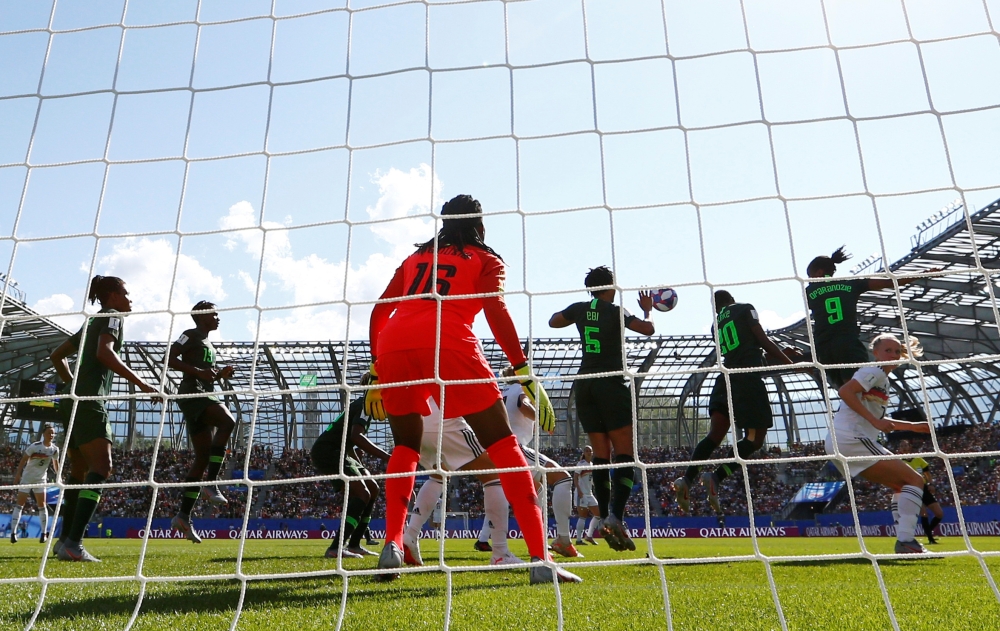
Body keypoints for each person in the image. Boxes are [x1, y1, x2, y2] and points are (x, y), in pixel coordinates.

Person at [367, 194, 580, 584]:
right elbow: (496, 310)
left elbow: (380, 310)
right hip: (450, 343)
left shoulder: (414, 259)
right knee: (504, 447)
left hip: (394, 344)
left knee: (405, 447)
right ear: (480, 224)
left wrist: (375, 369)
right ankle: (539, 559)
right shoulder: (486, 259)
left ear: (443, 223)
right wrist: (523, 369)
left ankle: (393, 543)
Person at [50, 275, 161, 562]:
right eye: (126, 293)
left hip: (70, 400)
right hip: (88, 402)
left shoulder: (91, 322)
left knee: (78, 472)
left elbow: (56, 355)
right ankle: (74, 542)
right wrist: (142, 383)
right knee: (102, 466)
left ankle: (63, 542)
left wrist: (72, 384)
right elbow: (104, 352)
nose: (130, 299)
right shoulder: (113, 317)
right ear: (112, 296)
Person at [548, 266, 655, 551]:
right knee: (624, 453)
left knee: (600, 454)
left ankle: (606, 515)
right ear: (611, 287)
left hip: (585, 385)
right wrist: (647, 311)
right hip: (611, 382)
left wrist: (576, 314)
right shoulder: (617, 311)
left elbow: (553, 322)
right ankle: (615, 516)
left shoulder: (580, 309)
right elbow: (648, 330)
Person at [673, 291, 795, 515]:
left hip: (724, 380)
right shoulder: (745, 308)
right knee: (755, 439)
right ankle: (716, 476)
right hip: (747, 380)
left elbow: (741, 353)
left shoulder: (715, 326)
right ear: (731, 299)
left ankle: (688, 479)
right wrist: (791, 362)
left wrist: (777, 358)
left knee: (715, 434)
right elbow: (761, 341)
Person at [825, 333, 931, 554]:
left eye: (896, 351)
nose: (892, 355)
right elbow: (845, 392)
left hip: (842, 441)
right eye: (887, 350)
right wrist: (874, 421)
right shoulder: (874, 371)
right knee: (915, 479)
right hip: (851, 438)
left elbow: (876, 417)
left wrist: (912, 427)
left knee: (901, 485)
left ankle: (905, 540)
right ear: (875, 352)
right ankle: (906, 540)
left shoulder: (880, 378)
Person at [402, 400, 523, 567]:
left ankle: (410, 534)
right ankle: (500, 553)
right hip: (443, 420)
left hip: (417, 422)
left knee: (438, 475)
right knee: (494, 474)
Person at [805, 247, 935, 389]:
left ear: (819, 273)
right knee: (861, 388)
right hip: (847, 342)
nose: (810, 281)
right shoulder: (851, 284)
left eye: (810, 277)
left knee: (843, 390)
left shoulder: (809, 291)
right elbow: (890, 282)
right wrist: (921, 274)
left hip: (824, 347)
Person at [168, 301, 237, 543]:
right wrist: (198, 372)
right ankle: (212, 482)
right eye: (214, 313)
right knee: (228, 422)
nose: (218, 317)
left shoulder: (206, 342)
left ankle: (183, 516)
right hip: (193, 394)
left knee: (202, 457)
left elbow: (203, 371)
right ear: (202, 316)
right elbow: (170, 358)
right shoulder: (190, 335)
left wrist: (219, 374)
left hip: (203, 393)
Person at [499, 372, 580, 558]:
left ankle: (538, 543)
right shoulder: (521, 388)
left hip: (500, 448)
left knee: (536, 490)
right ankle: (563, 539)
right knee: (562, 478)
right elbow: (523, 404)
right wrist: (542, 417)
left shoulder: (502, 391)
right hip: (515, 446)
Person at [311, 387, 388, 559]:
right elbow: (356, 436)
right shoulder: (366, 405)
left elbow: (348, 440)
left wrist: (361, 468)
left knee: (372, 488)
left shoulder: (362, 403)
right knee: (362, 493)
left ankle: (354, 545)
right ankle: (335, 548)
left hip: (340, 451)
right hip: (329, 451)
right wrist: (386, 456)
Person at [10, 424, 60, 544]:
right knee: (19, 505)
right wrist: (18, 475)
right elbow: (23, 460)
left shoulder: (54, 449)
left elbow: (55, 463)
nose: (51, 435)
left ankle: (43, 534)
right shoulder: (35, 446)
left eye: (53, 433)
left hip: (40, 479)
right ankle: (13, 532)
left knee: (42, 505)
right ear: (43, 434)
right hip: (27, 478)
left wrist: (59, 477)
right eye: (49, 433)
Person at [897, 439, 944, 544]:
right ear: (899, 449)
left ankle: (928, 532)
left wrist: (930, 483)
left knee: (939, 513)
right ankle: (931, 539)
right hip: (911, 490)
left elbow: (926, 472)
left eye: (906, 445)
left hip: (924, 488)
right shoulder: (899, 461)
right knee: (924, 514)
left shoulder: (918, 459)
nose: (904, 447)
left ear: (910, 447)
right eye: (902, 445)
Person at [574, 445, 599, 545]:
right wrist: (579, 491)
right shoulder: (581, 464)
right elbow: (575, 477)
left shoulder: (592, 465)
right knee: (582, 516)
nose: (589, 452)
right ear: (584, 453)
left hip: (589, 493)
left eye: (590, 451)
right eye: (587, 451)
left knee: (598, 514)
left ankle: (589, 536)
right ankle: (578, 539)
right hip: (582, 493)